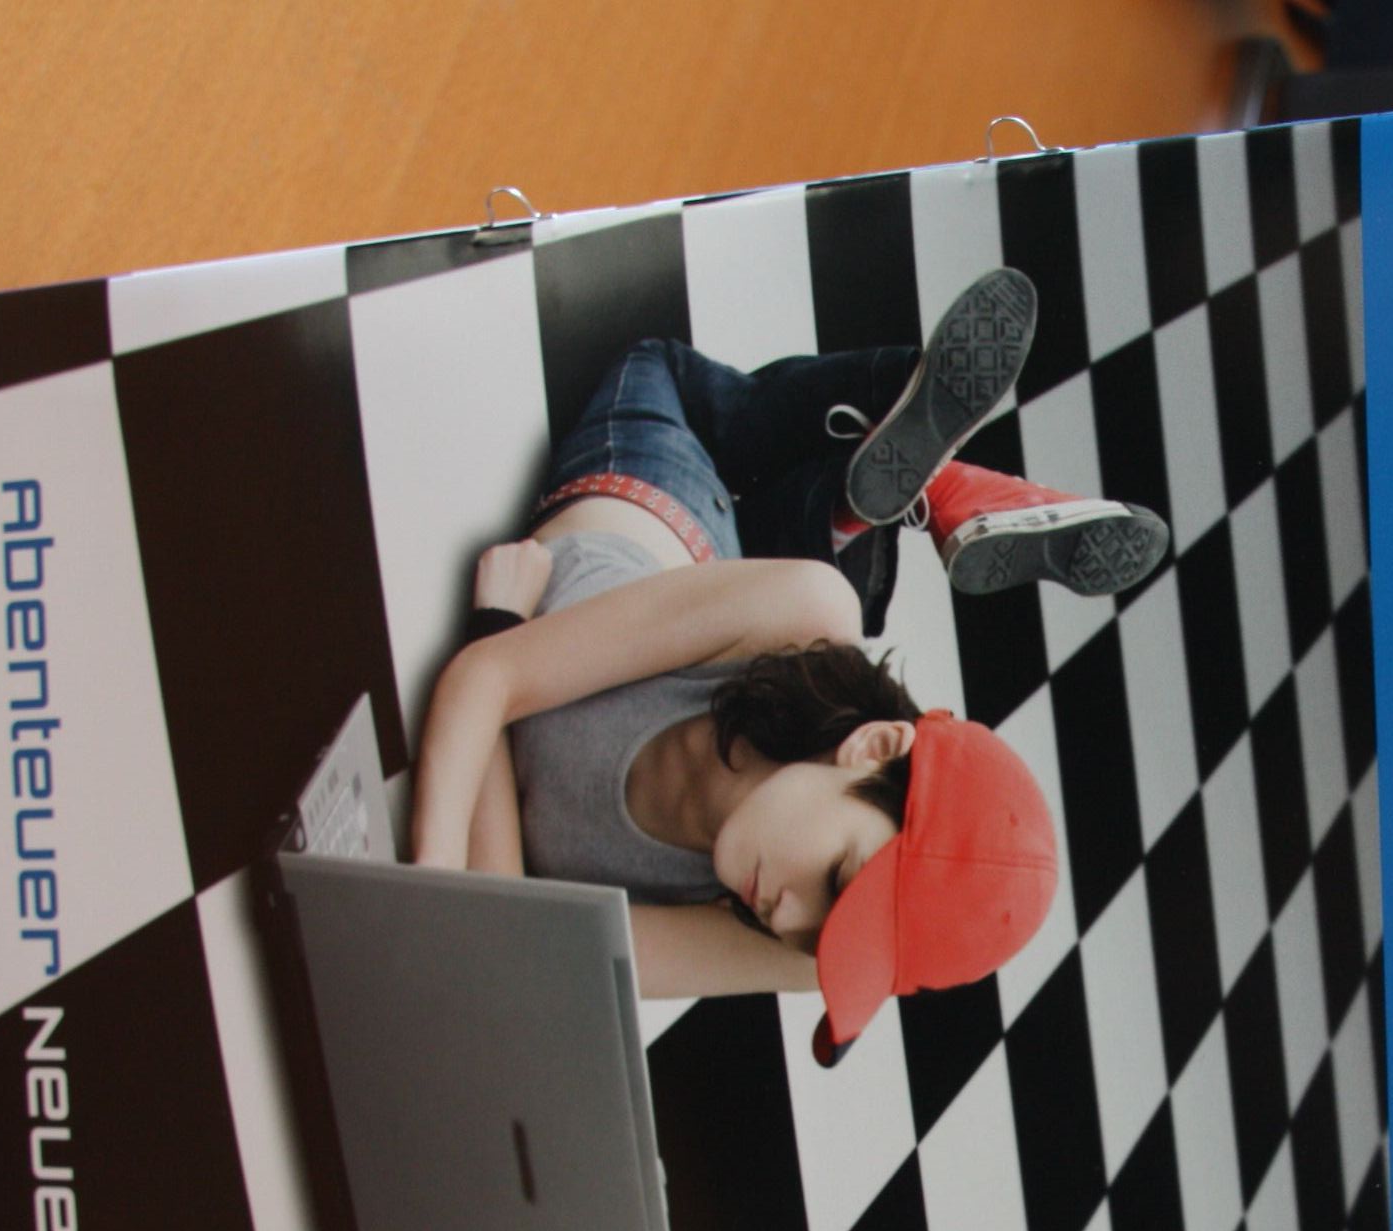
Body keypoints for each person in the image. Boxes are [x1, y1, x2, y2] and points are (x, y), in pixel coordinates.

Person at [409, 268, 1153, 1063]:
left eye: (829, 935)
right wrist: (429, 909)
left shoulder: (805, 947)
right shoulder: (801, 614)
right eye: (837, 878)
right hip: (658, 472)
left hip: (725, 596)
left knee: (819, 583)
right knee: (719, 418)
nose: (792, 918)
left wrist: (496, 632)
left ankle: (877, 500)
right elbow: (485, 686)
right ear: (875, 748)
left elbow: (527, 947)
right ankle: (908, 450)